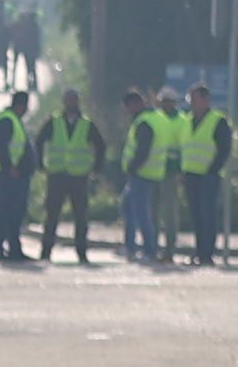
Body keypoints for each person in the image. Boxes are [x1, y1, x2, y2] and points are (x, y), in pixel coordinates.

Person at [38, 85, 104, 266]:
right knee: (52, 214)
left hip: (78, 177)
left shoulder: (86, 124)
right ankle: (45, 252)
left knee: (81, 217)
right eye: (68, 100)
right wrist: (41, 165)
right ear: (64, 102)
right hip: (57, 174)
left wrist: (96, 169)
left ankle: (81, 253)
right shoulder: (54, 121)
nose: (71, 104)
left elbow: (100, 145)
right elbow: (39, 140)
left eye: (73, 100)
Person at [178, 82, 232, 264]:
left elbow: (224, 149)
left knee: (207, 215)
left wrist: (213, 170)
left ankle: (207, 253)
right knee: (196, 216)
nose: (191, 103)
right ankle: (199, 251)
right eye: (190, 99)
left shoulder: (218, 121)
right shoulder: (187, 120)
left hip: (208, 176)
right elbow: (183, 148)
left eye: (195, 99)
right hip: (190, 175)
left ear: (206, 100)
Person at [0, 85, 35, 263]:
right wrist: (9, 167)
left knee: (14, 214)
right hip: (7, 176)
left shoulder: (13, 120)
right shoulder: (7, 120)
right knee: (6, 213)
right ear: (21, 105)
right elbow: (1, 147)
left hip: (13, 175)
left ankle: (13, 249)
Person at [110, 85, 163, 261]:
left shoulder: (143, 122)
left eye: (127, 107)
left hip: (142, 173)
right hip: (147, 171)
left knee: (141, 213)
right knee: (127, 206)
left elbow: (143, 149)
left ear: (134, 104)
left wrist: (133, 167)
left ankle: (149, 250)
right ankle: (130, 247)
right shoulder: (152, 117)